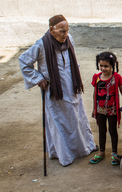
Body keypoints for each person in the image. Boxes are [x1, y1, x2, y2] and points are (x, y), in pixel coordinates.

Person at [18, 15, 97, 166]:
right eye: (61, 31)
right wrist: (38, 78)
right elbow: (24, 61)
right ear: (51, 30)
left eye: (67, 31)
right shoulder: (41, 45)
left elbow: (73, 62)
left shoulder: (69, 39)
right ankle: (65, 154)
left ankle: (84, 148)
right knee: (60, 122)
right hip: (54, 92)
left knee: (77, 117)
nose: (65, 34)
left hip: (72, 87)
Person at [90, 52, 122, 165]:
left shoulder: (117, 77)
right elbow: (95, 93)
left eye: (106, 66)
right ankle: (102, 152)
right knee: (102, 130)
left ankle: (114, 153)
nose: (103, 68)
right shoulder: (96, 77)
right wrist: (94, 109)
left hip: (113, 110)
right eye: (101, 66)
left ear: (112, 66)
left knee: (113, 131)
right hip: (100, 109)